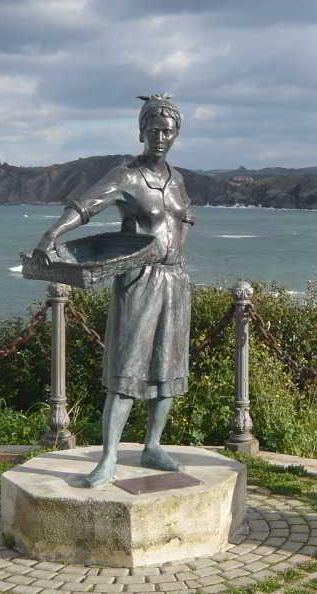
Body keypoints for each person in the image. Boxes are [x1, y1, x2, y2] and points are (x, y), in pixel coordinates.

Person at [35, 94, 195, 487]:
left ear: (177, 135)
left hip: (174, 281)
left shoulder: (178, 180)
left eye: (168, 130)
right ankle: (108, 458)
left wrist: (175, 250)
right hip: (138, 279)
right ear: (142, 130)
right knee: (126, 370)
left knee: (167, 368)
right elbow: (86, 205)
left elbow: (185, 220)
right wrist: (54, 233)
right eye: (153, 128)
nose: (160, 136)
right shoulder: (126, 176)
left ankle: (152, 445)